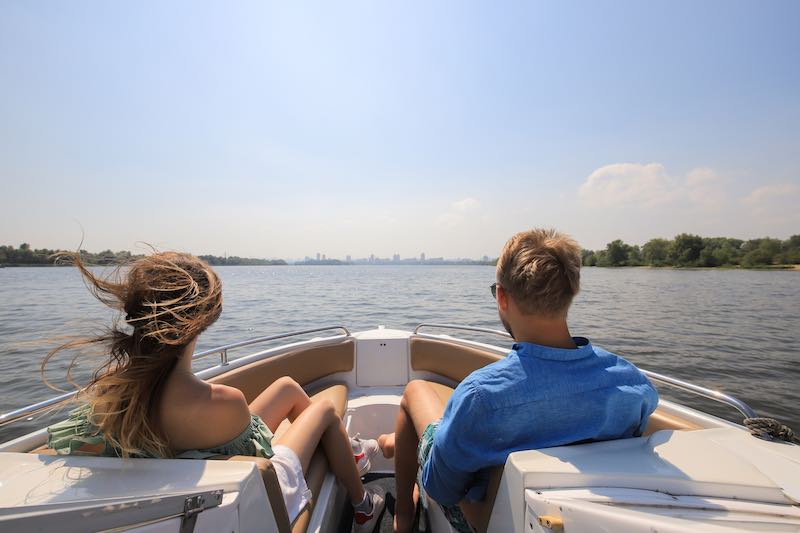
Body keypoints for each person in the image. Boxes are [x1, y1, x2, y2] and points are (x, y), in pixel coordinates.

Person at [42, 251, 384, 531]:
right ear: (205, 320)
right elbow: (258, 460)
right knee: (323, 411)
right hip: (249, 497)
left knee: (286, 387)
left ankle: (352, 451)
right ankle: (363, 505)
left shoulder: (110, 395)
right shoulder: (223, 403)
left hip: (169, 493)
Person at [379, 229, 659, 533]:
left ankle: (403, 515)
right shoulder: (632, 384)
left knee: (415, 391)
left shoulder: (481, 397)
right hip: (580, 518)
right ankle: (396, 443)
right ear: (571, 293)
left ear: (502, 296)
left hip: (484, 521)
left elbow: (442, 489)